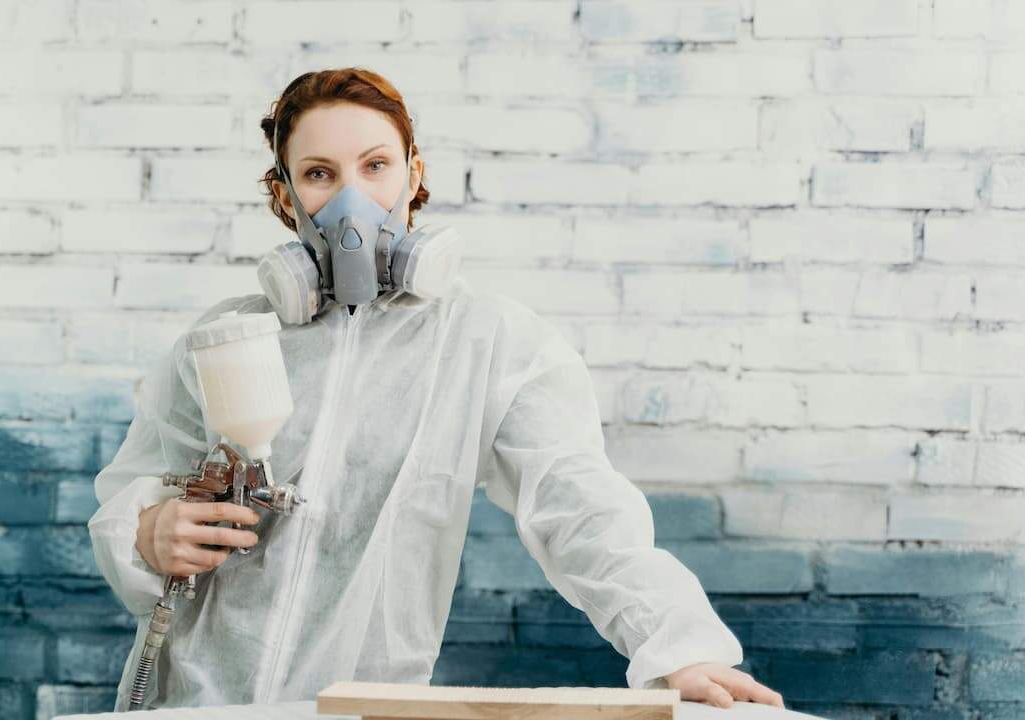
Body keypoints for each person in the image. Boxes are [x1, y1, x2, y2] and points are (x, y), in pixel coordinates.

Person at [88, 67, 785, 712]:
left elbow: (581, 510)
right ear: (284, 193)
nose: (353, 199)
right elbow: (133, 491)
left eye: (375, 166)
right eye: (320, 173)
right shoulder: (227, 339)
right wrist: (145, 534)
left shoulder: (489, 343)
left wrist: (680, 649)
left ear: (413, 174)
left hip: (355, 708)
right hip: (192, 703)